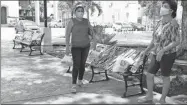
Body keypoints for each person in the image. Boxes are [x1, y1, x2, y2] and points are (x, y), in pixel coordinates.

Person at [138, 0, 181, 104]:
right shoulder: (159, 22)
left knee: (165, 77)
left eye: (165, 6)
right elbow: (154, 39)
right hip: (156, 52)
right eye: (162, 5)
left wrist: (163, 50)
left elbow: (176, 41)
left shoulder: (174, 24)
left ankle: (162, 99)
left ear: (171, 10)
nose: (162, 8)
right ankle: (149, 96)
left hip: (168, 54)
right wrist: (147, 50)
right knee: (149, 74)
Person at [65, 6, 97, 93]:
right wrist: (67, 48)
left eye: (82, 11)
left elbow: (92, 32)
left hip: (86, 46)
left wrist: (94, 42)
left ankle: (80, 80)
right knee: (76, 64)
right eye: (79, 11)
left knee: (82, 65)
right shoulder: (71, 21)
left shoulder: (86, 21)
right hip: (75, 47)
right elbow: (67, 35)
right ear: (75, 13)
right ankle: (73, 85)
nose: (81, 13)